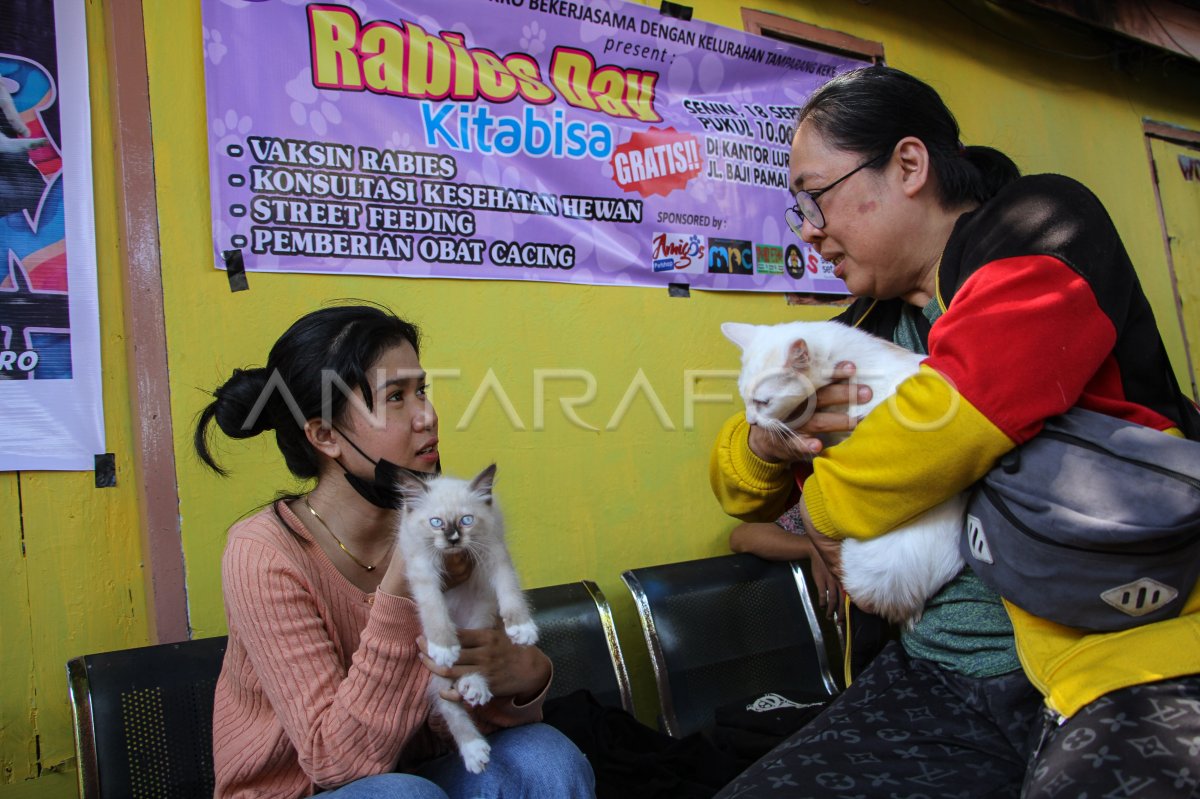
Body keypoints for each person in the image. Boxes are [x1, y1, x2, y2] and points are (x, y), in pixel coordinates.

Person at [710, 65, 1200, 798]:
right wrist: (765, 444)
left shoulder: (1045, 226)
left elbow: (955, 418)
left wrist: (818, 510)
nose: (810, 230)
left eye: (816, 196)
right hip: (936, 671)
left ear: (909, 164)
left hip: (1114, 653)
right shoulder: (866, 323)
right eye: (798, 209)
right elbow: (737, 488)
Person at [194, 304, 595, 799]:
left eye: (422, 390)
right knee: (402, 796)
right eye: (396, 397)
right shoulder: (264, 553)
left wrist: (526, 676)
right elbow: (336, 763)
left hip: (423, 771)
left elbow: (465, 713)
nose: (427, 416)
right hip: (310, 790)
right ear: (324, 436)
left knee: (545, 758)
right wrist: (405, 586)